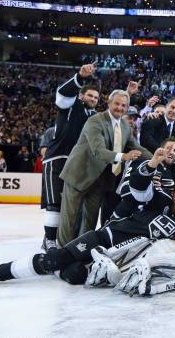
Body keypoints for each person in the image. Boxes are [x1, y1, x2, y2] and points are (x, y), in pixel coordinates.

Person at [0, 180, 175, 288]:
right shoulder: (157, 199)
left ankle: (57, 266)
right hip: (102, 238)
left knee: (74, 276)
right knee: (54, 259)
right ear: (173, 192)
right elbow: (141, 185)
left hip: (111, 256)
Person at [57, 88, 152, 247]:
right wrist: (123, 157)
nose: (120, 108)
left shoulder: (126, 126)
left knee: (90, 221)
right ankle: (60, 254)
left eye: (123, 105)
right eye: (117, 104)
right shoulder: (95, 121)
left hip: (100, 179)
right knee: (69, 219)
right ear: (109, 103)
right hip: (79, 174)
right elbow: (98, 151)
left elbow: (137, 147)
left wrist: (156, 159)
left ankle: (78, 252)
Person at [40, 64, 100, 250]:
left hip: (78, 164)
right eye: (90, 95)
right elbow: (63, 94)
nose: (93, 99)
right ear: (81, 96)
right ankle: (49, 240)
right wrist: (80, 77)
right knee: (54, 204)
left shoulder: (96, 117)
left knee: (73, 206)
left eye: (96, 97)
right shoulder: (71, 105)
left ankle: (66, 240)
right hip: (58, 158)